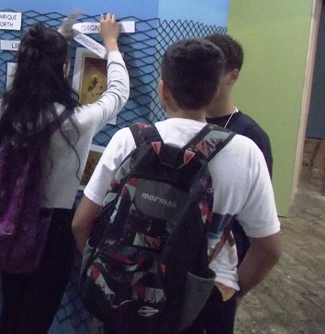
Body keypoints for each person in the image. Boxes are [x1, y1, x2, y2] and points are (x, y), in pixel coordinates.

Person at [73, 38, 281, 334]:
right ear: (215, 90)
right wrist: (234, 294)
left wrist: (104, 272)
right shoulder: (246, 152)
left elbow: (81, 224)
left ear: (163, 89)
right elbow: (269, 250)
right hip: (204, 297)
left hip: (126, 292)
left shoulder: (128, 140)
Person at [0, 13, 130, 334]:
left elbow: (26, 78)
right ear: (64, 69)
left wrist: (55, 40)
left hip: (10, 221)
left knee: (11, 310)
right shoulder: (76, 122)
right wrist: (111, 43)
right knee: (37, 319)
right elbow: (118, 93)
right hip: (53, 231)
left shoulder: (3, 112)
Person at [205, 33, 273, 263]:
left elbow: (259, 220)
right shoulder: (184, 124)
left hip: (224, 263)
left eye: (212, 72)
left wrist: (238, 282)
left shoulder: (251, 137)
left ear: (232, 76)